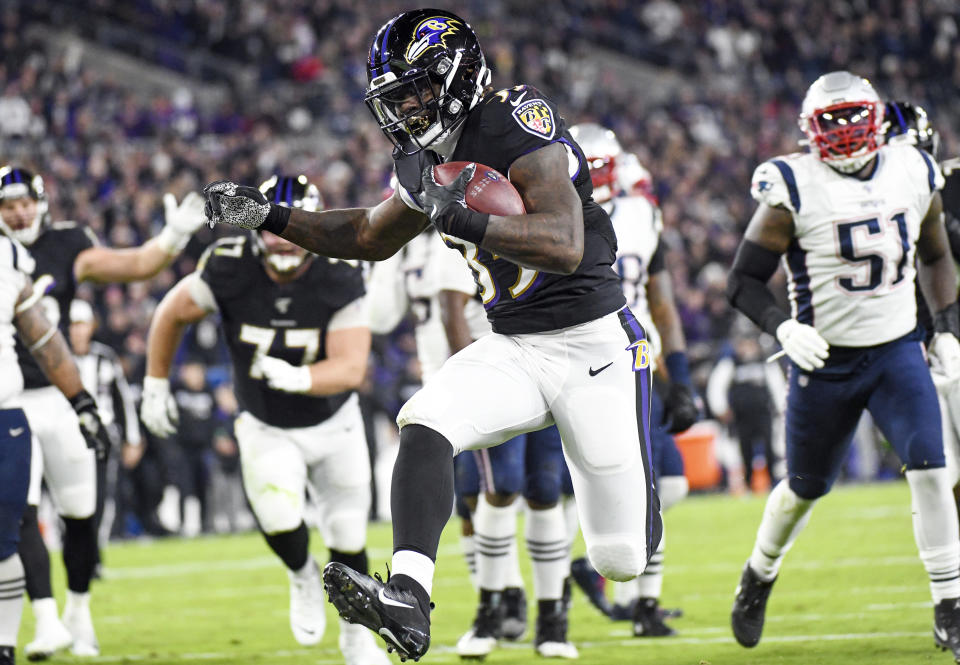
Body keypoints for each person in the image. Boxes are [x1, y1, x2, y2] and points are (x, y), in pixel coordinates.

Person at [203, 10, 661, 661]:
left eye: (415, 91)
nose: (406, 110)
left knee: (622, 556)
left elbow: (563, 244)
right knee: (424, 418)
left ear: (456, 75)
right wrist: (272, 215)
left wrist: (462, 218)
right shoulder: (425, 158)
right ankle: (410, 599)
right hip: (517, 345)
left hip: (595, 345)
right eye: (395, 99)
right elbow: (365, 235)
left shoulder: (512, 121)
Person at [725, 71, 960, 660]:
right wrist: (783, 326)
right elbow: (743, 280)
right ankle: (759, 572)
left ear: (877, 118)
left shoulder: (913, 170)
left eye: (853, 118)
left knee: (932, 469)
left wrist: (947, 328)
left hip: (896, 349)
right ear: (810, 130)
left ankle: (950, 609)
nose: (846, 133)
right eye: (831, 122)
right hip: (825, 358)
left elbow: (936, 255)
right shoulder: (793, 184)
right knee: (805, 488)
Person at [141, 174, 390, 665]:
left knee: (349, 537)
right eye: (271, 226)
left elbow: (351, 366)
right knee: (278, 519)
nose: (280, 238)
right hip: (266, 423)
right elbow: (171, 312)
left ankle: (356, 635)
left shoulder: (339, 271)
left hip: (334, 422)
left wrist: (300, 379)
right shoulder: (229, 267)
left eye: (290, 227)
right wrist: (155, 382)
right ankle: (301, 574)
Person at [0, 165, 205, 659]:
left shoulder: (69, 244)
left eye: (24, 202)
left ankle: (78, 608)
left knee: (81, 514)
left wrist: (172, 238)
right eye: (8, 206)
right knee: (20, 513)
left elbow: (137, 264)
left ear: (41, 201)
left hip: (61, 393)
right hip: (12, 401)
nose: (18, 212)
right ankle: (45, 618)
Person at [366, 227, 577, 658]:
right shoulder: (453, 233)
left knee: (542, 491)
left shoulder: (530, 216)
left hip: (542, 366)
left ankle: (549, 616)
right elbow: (443, 312)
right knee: (488, 496)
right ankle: (496, 606)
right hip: (484, 380)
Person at [566, 124, 698, 636]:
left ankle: (612, 580)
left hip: (642, 360)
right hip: (587, 360)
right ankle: (641, 605)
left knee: (669, 482)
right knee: (635, 482)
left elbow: (660, 301)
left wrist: (679, 378)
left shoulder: (643, 213)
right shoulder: (553, 214)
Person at [0, 235, 110, 665]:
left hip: (6, 412)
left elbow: (41, 334)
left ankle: (6, 647)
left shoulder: (7, 255)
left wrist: (80, 399)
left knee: (6, 539)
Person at [67, 299, 142, 570]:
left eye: (82, 324)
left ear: (92, 326)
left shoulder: (105, 357)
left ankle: (94, 556)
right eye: (73, 324)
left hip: (101, 436)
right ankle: (74, 554)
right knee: (71, 499)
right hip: (66, 435)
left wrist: (132, 438)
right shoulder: (58, 357)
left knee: (101, 497)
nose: (77, 331)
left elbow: (122, 399)